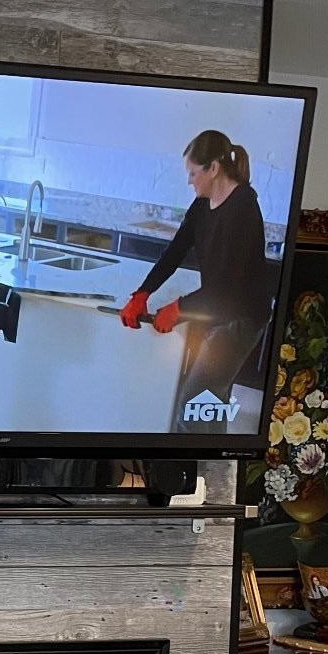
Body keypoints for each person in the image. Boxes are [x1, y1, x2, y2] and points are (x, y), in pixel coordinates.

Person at [118, 129, 270, 429]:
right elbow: (176, 250)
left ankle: (187, 470)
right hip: (219, 311)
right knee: (211, 403)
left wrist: (178, 308)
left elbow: (226, 288)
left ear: (213, 169)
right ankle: (215, 471)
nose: (189, 180)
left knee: (191, 407)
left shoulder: (243, 209)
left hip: (241, 318)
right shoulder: (203, 203)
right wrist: (143, 293)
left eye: (193, 172)